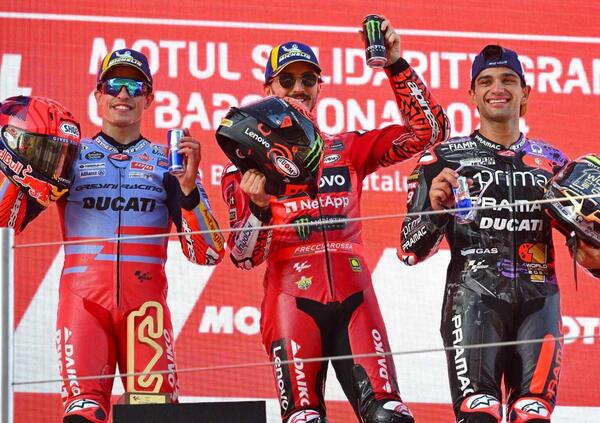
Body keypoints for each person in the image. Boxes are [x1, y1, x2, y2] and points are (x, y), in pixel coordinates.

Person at [220, 16, 449, 423]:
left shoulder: (348, 148)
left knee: (390, 416)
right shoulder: (244, 166)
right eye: (286, 80)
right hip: (291, 303)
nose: (298, 88)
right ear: (268, 90)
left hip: (355, 298)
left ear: (320, 88)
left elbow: (428, 132)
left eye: (308, 79)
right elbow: (242, 257)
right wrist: (258, 208)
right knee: (304, 418)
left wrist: (395, 65)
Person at [0, 48, 225, 423]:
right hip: (83, 307)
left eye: (134, 86)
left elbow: (209, 253)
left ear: (148, 99)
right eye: (114, 84)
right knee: (83, 413)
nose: (123, 93)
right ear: (98, 95)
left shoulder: (169, 162)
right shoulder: (67, 155)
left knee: (153, 415)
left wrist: (187, 191)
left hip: (146, 314)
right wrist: (14, 165)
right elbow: (7, 222)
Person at [399, 44, 600, 423]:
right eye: (486, 81)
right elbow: (410, 249)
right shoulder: (442, 159)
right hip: (473, 303)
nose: (498, 88)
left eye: (509, 80)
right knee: (479, 416)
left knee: (533, 416)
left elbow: (588, 247)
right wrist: (436, 212)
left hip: (540, 306)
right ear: (472, 94)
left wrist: (595, 259)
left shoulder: (555, 162)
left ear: (525, 92)